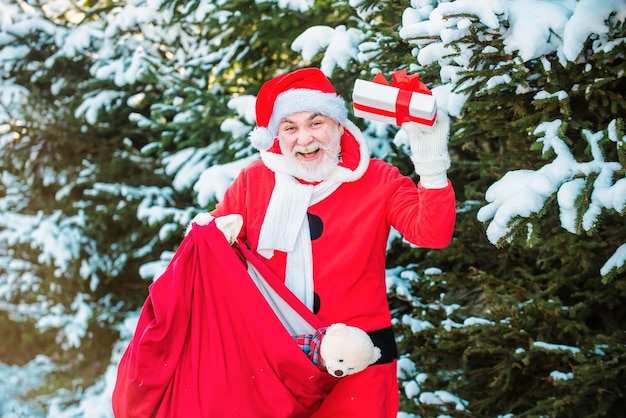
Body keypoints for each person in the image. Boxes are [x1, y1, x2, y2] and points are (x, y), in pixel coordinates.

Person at [209, 67, 455, 417]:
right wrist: (213, 237)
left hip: (359, 365)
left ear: (339, 124)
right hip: (271, 365)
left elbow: (432, 233)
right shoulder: (253, 181)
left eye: (316, 122)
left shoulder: (378, 179)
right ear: (277, 136)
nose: (305, 139)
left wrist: (431, 165)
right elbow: (209, 260)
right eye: (290, 127)